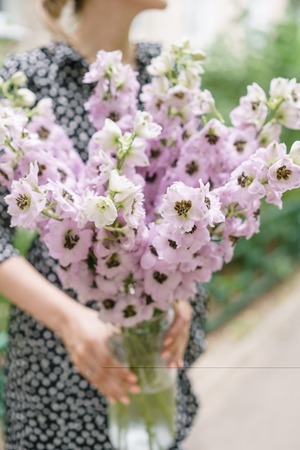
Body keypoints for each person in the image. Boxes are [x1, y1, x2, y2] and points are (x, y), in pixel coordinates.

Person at [0, 0, 207, 448]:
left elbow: (200, 203)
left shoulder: (167, 73)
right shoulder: (23, 81)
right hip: (62, 359)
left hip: (155, 343)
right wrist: (71, 321)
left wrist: (178, 289)